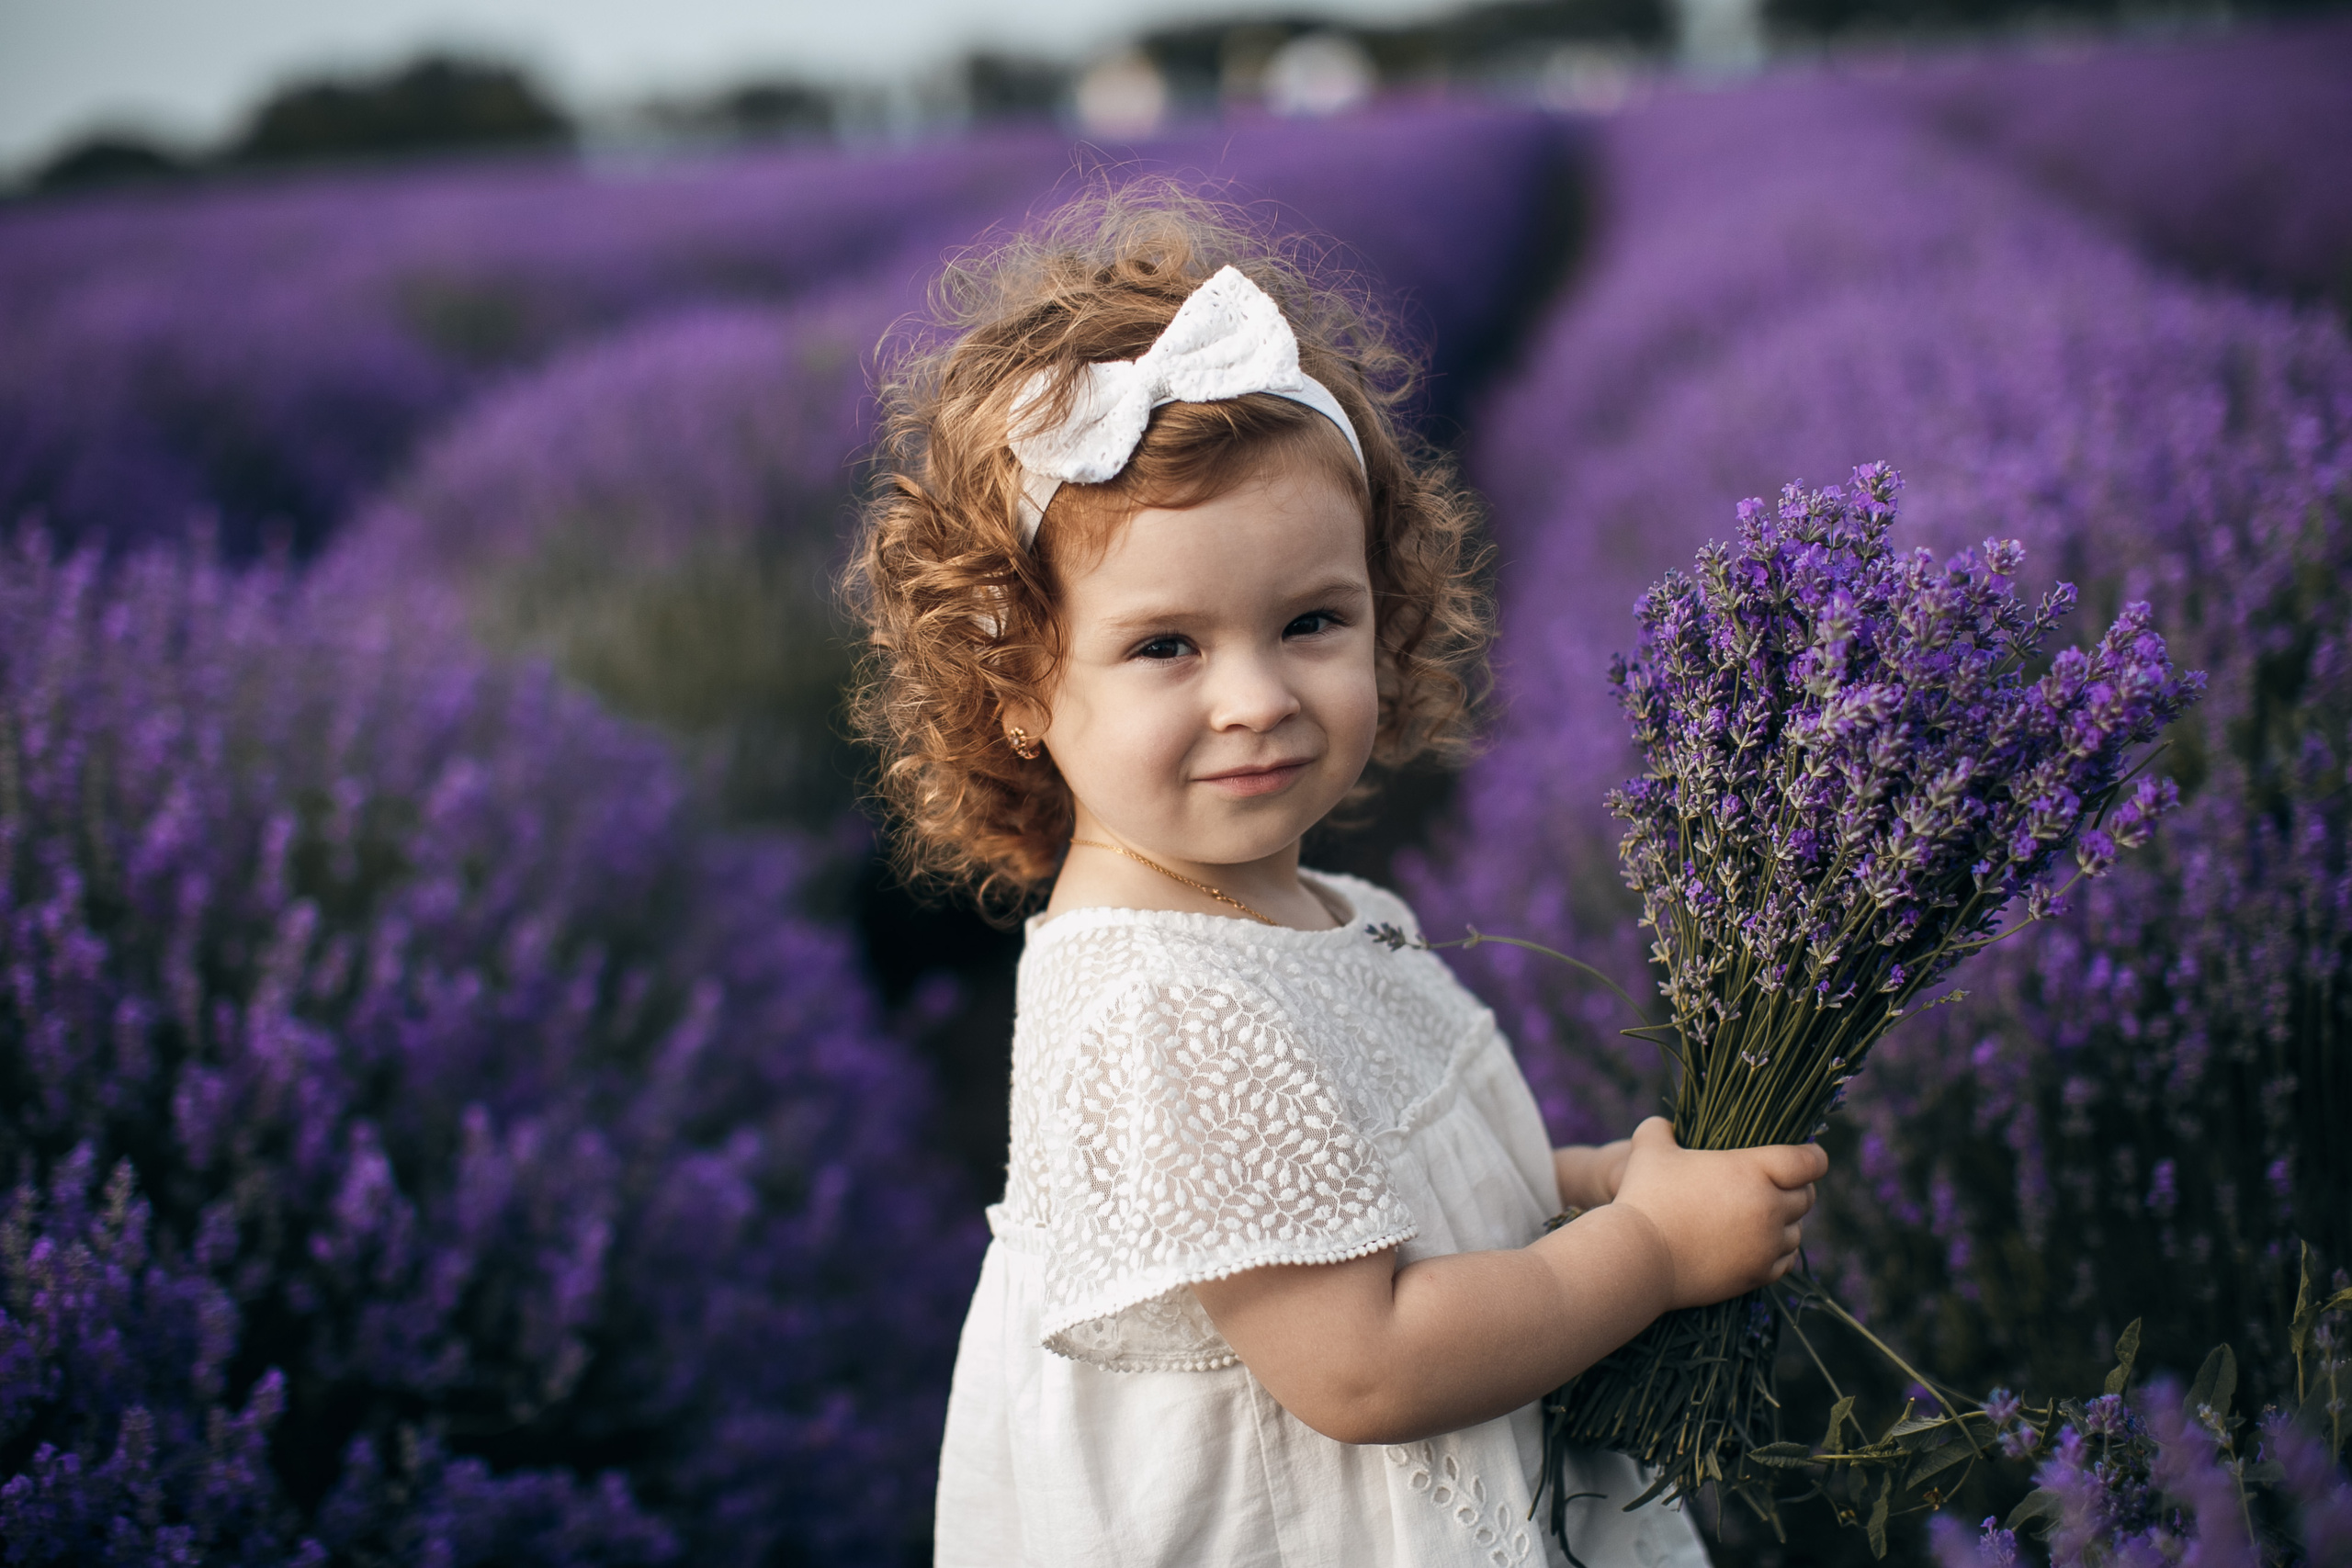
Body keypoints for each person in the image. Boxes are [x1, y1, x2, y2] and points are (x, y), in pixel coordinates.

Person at [844, 187, 1829, 1568]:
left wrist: (1578, 1188)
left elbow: (1349, 1188)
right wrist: (1650, 1259)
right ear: (1016, 684)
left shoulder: (1310, 917)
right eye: (1166, 648)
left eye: (1311, 621)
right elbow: (1365, 1367)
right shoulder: (1162, 1008)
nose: (1255, 696)